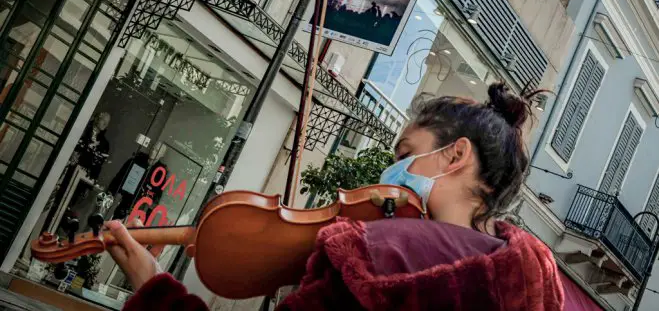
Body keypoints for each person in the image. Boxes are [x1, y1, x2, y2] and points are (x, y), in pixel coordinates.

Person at [106, 82, 564, 310]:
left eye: (406, 153)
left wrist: (153, 289)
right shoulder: (525, 282)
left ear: (455, 156)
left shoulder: (382, 257)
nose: (394, 168)